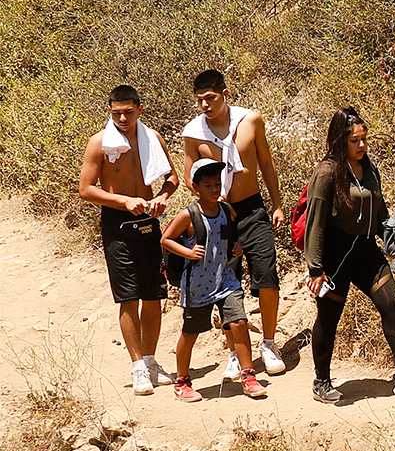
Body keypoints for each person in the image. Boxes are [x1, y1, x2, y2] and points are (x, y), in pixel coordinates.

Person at [303, 108, 395, 405]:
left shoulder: (370, 169)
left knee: (390, 302)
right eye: (356, 141)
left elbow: (381, 217)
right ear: (341, 141)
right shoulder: (326, 173)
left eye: (364, 139)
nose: (362, 146)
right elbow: (314, 222)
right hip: (335, 256)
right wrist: (315, 268)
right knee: (329, 317)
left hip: (366, 250)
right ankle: (321, 381)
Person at [180, 69, 287, 377]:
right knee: (225, 282)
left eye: (210, 98)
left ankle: (268, 342)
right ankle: (234, 352)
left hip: (252, 208)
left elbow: (265, 163)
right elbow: (190, 177)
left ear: (224, 95)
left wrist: (277, 204)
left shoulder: (250, 121)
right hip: (219, 215)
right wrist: (212, 199)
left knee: (266, 273)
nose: (204, 105)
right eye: (199, 100)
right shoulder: (193, 133)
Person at [77, 85, 177, 395]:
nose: (122, 117)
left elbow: (171, 177)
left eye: (128, 112)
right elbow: (86, 189)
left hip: (148, 220)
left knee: (153, 294)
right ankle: (137, 367)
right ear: (109, 110)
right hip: (117, 224)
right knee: (128, 297)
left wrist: (161, 196)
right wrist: (123, 201)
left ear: (139, 109)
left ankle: (150, 361)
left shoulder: (152, 138)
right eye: (116, 112)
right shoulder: (99, 144)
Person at [158, 160, 267, 401]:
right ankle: (182, 382)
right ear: (196, 187)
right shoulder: (188, 214)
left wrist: (236, 246)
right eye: (208, 185)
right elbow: (166, 239)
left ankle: (248, 376)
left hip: (225, 279)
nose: (215, 189)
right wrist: (187, 252)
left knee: (238, 322)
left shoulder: (226, 210)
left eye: (217, 184)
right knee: (191, 332)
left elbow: (229, 235)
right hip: (197, 284)